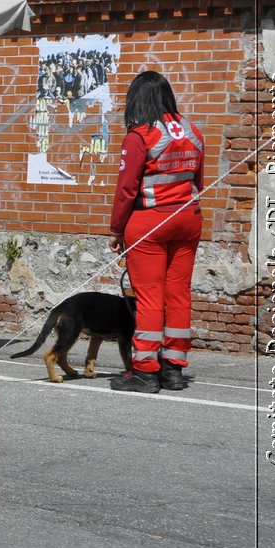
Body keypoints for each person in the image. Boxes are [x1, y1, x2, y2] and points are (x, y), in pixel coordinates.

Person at [107, 70, 205, 392]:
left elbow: (126, 189)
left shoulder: (140, 135)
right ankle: (173, 368)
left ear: (138, 98)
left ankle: (145, 370)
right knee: (179, 293)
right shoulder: (193, 132)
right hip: (188, 218)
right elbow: (198, 183)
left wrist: (116, 230)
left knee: (150, 297)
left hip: (149, 221)